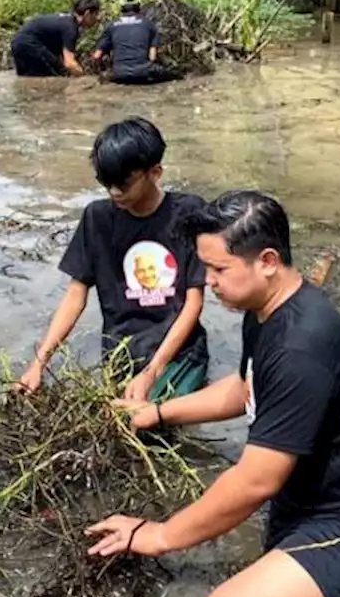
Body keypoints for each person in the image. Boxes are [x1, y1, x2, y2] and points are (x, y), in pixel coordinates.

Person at [86, 190, 340, 597]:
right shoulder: (266, 312)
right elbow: (246, 389)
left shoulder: (301, 344)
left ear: (267, 261)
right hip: (306, 504)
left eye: (218, 270)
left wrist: (158, 535)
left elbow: (255, 483)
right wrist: (157, 412)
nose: (208, 282)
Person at [16, 117, 207, 402]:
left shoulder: (189, 214)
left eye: (124, 183)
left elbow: (194, 303)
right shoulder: (97, 219)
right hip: (121, 355)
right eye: (107, 183)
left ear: (154, 173)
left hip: (179, 355)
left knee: (151, 421)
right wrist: (38, 364)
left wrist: (153, 371)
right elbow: (74, 297)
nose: (115, 191)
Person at [89, 0, 182, 85]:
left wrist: (101, 72)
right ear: (139, 5)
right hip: (143, 73)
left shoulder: (111, 25)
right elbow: (152, 57)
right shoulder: (148, 24)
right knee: (177, 75)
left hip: (119, 74)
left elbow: (97, 56)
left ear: (121, 6)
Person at [10, 0, 101, 77]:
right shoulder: (71, 28)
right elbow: (69, 63)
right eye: (96, 14)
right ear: (87, 14)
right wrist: (85, 80)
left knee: (28, 78)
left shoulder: (66, 21)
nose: (98, 18)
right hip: (29, 44)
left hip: (17, 42)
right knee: (56, 76)